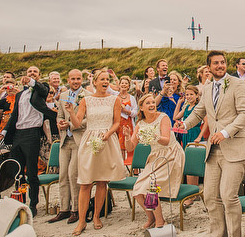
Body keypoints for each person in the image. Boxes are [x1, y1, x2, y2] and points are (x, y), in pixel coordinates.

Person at [175, 50, 245, 237]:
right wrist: (184, 124)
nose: (220, 65)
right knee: (210, 197)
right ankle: (219, 234)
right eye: (215, 63)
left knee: (228, 196)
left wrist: (225, 133)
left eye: (222, 62)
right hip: (213, 151)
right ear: (208, 67)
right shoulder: (208, 87)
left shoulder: (238, 84)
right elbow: (199, 111)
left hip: (235, 148)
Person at [66, 69, 128, 235]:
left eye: (107, 79)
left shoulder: (114, 100)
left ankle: (96, 217)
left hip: (107, 140)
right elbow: (78, 123)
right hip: (89, 140)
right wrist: (71, 112)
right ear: (95, 82)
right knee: (85, 182)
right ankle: (81, 221)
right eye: (102, 79)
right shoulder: (86, 100)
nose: (105, 82)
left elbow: (117, 122)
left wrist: (108, 134)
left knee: (102, 181)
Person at [0, 66, 58, 217]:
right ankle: (20, 201)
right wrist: (4, 132)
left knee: (32, 171)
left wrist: (32, 82)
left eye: (35, 72)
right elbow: (14, 115)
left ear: (39, 76)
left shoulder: (41, 88)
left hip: (32, 133)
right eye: (29, 72)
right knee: (17, 171)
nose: (32, 74)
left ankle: (33, 204)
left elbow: (43, 90)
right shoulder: (20, 95)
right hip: (18, 134)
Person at [126, 93, 185, 229]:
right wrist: (128, 137)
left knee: (150, 188)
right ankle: (151, 217)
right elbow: (130, 147)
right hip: (155, 158)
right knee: (137, 190)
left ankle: (160, 221)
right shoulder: (140, 124)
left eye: (153, 102)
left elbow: (166, 141)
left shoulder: (163, 118)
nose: (152, 105)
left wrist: (154, 135)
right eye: (148, 103)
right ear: (141, 107)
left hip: (170, 155)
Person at [48, 69, 87, 224]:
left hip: (78, 138)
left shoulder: (87, 96)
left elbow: (87, 119)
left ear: (82, 79)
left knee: (73, 174)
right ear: (68, 80)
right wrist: (60, 123)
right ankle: (64, 209)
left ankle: (76, 209)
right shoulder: (63, 96)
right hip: (65, 140)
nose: (76, 81)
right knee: (63, 175)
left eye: (78, 78)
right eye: (73, 79)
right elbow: (59, 115)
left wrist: (71, 124)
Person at [116, 76, 137, 160]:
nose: (124, 85)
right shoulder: (115, 96)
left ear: (128, 86)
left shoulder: (132, 98)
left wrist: (126, 111)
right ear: (119, 85)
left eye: (126, 83)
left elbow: (135, 112)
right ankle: (121, 166)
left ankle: (132, 166)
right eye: (122, 83)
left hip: (127, 123)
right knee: (119, 146)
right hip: (117, 123)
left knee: (129, 144)